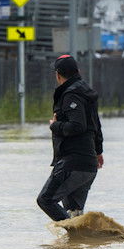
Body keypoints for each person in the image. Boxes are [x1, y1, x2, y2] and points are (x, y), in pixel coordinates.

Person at [36, 55, 104, 221]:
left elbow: (77, 126)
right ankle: (79, 243)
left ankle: (76, 235)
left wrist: (54, 125)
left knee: (45, 200)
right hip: (88, 165)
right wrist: (98, 151)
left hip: (72, 163)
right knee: (74, 213)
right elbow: (96, 125)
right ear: (78, 71)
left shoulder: (70, 95)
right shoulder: (86, 93)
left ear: (58, 74)